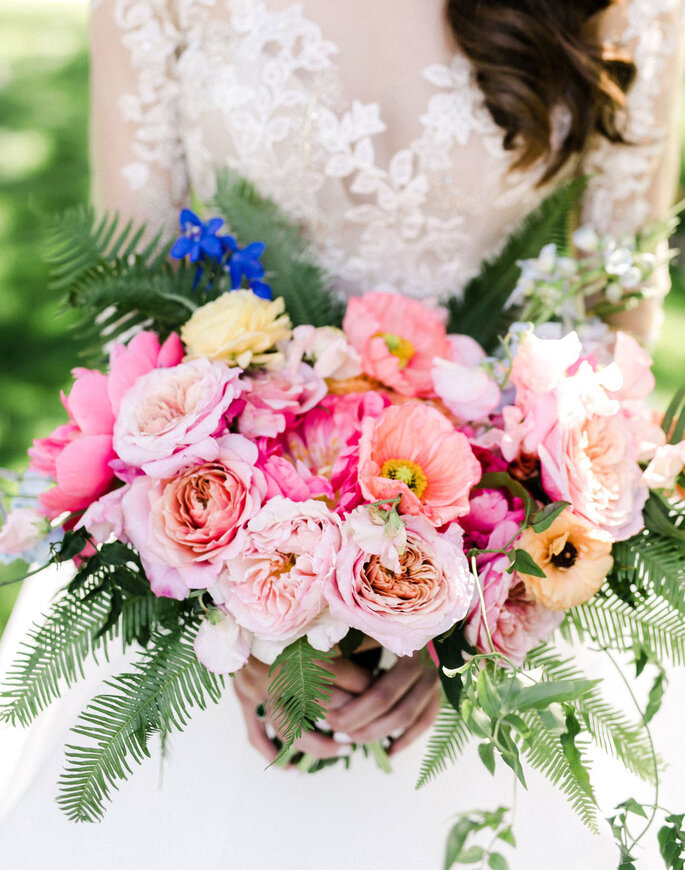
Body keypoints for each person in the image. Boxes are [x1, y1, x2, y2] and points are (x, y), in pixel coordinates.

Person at [1, 1, 684, 867]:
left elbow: (610, 329)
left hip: (506, 557)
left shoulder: (632, 11)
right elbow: (137, 310)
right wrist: (242, 612)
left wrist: (474, 613)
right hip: (231, 555)